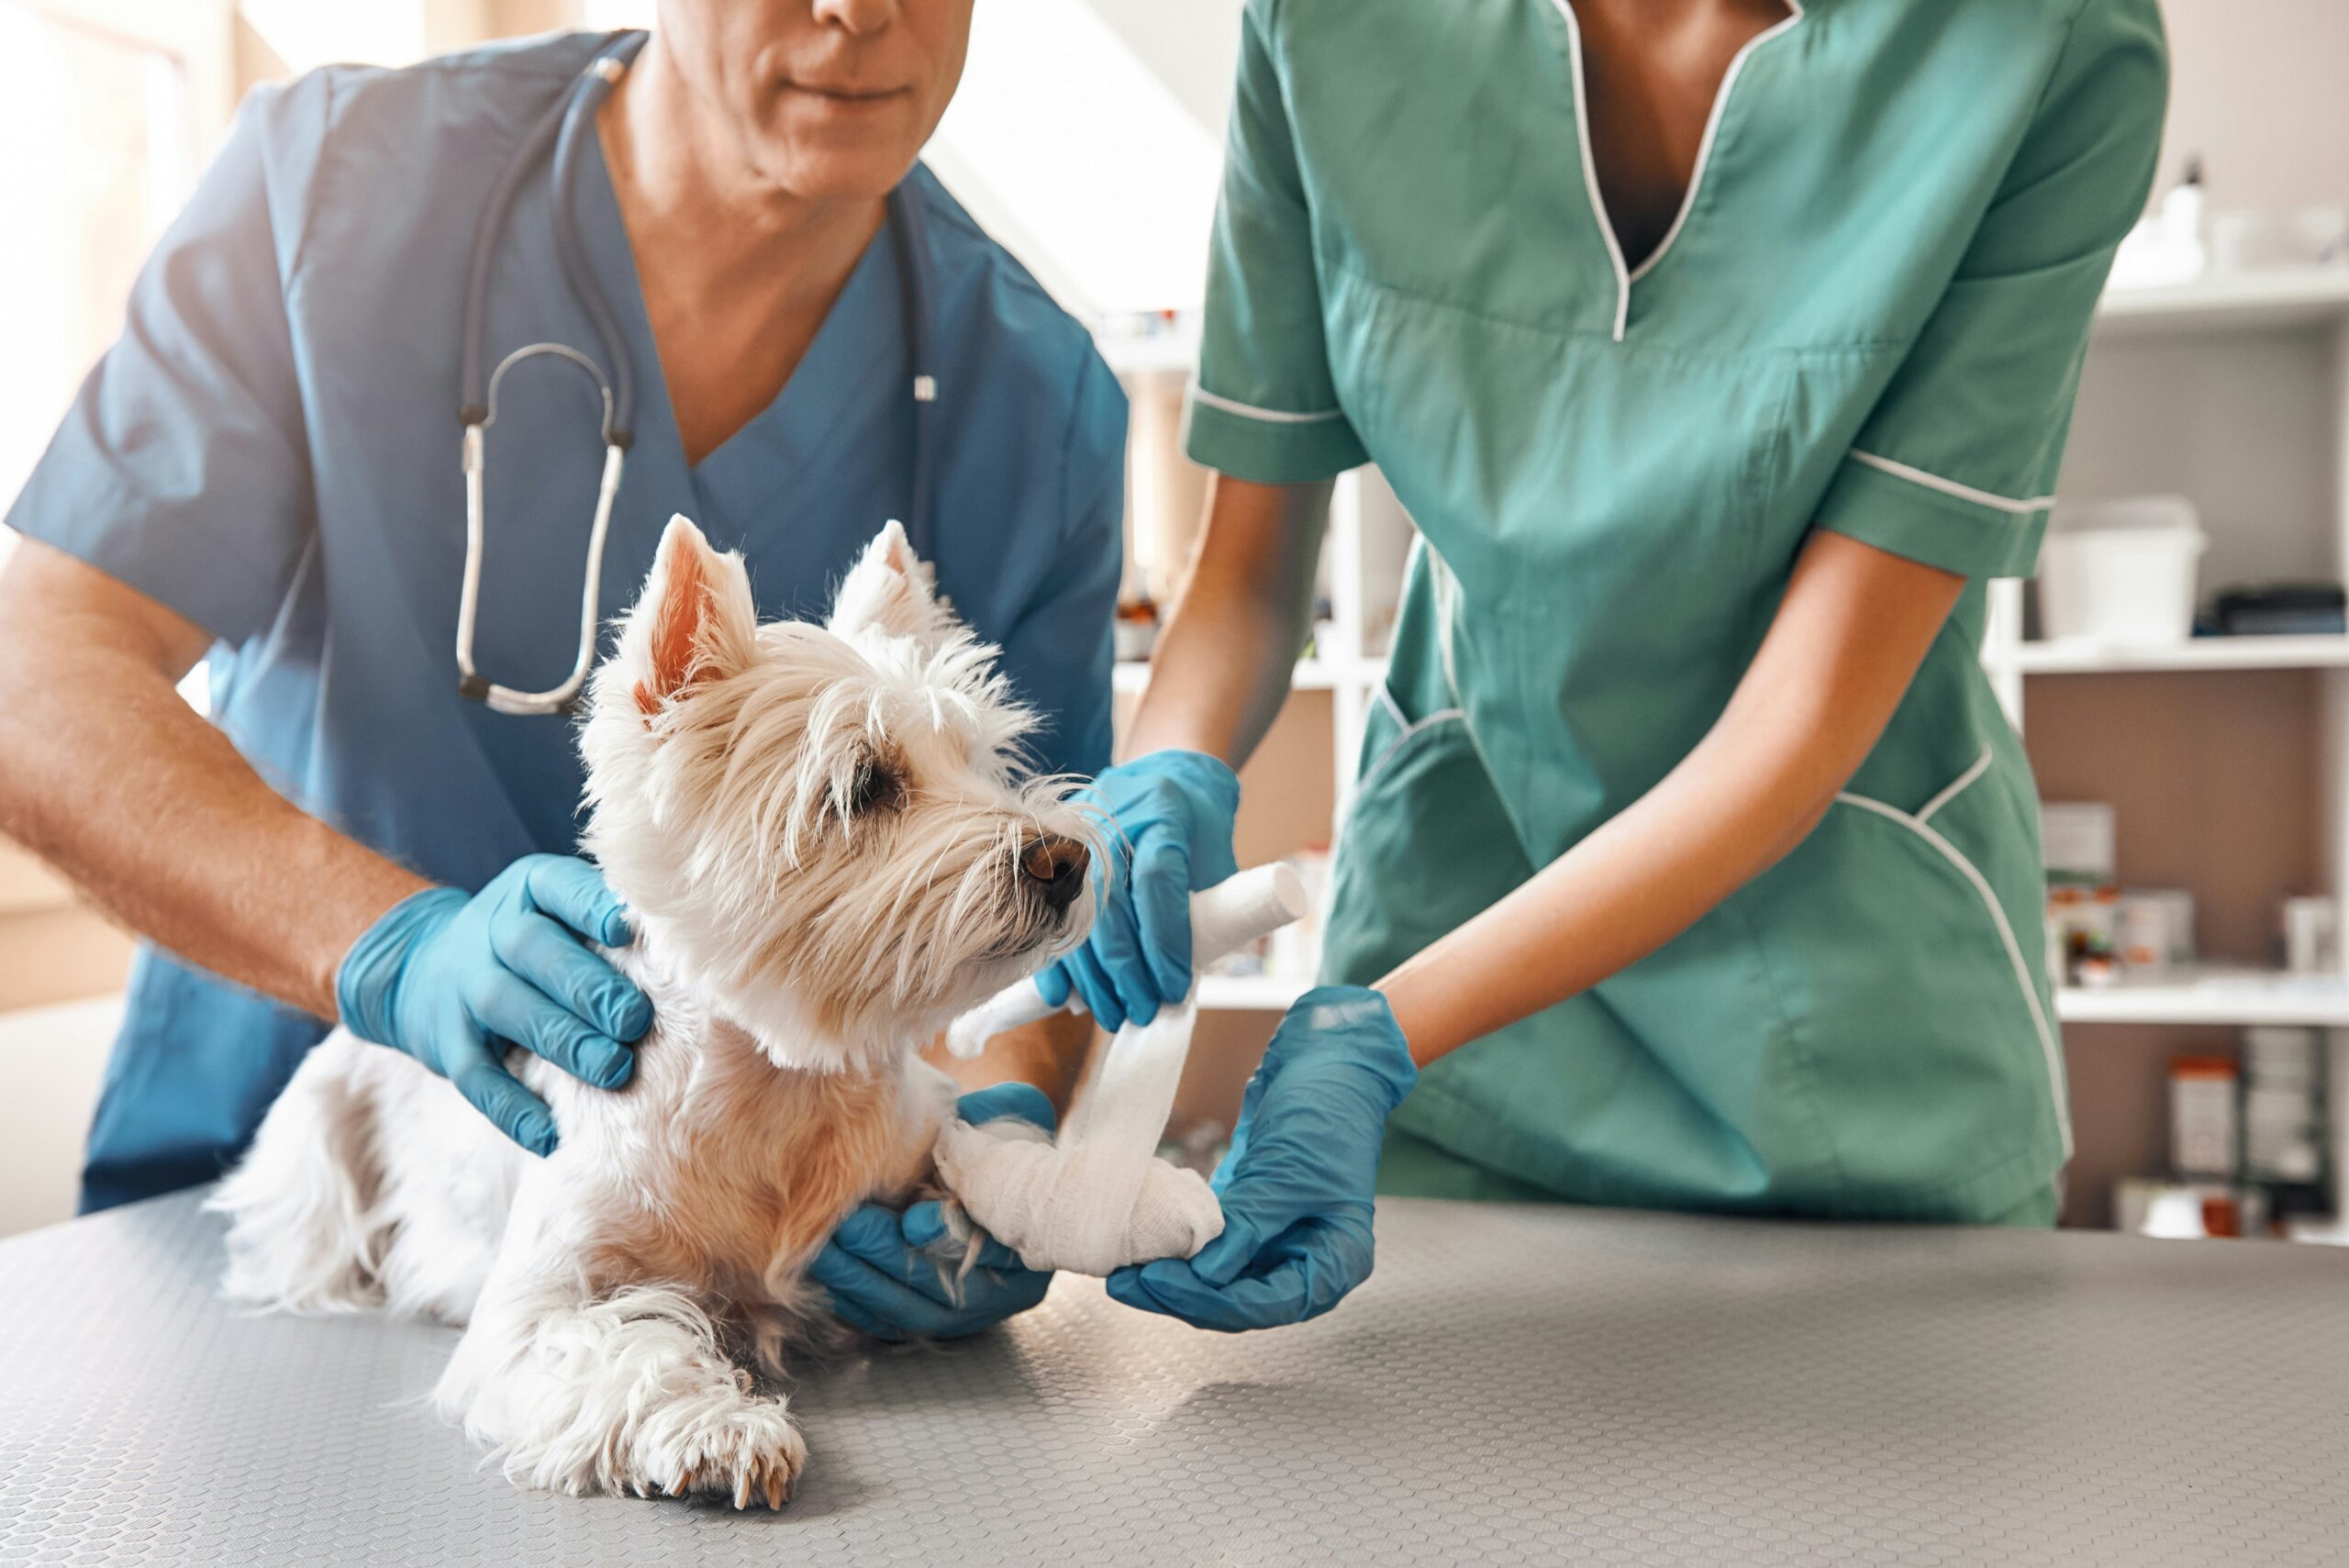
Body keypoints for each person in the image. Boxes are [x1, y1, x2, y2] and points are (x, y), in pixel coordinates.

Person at [0, 0, 1119, 1340]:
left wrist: (999, 1131)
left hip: (764, 1275)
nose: (860, 11)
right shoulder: (335, 190)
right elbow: (32, 674)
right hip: (296, 1221)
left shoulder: (1036, 399)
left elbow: (1034, 931)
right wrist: (386, 950)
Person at [1050, 0, 2168, 1332]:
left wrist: (1378, 1034)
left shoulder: (2041, 45)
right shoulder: (1332, 24)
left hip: (1856, 1059)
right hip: (1460, 1020)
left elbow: (1795, 725)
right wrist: (1161, 772)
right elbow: (1243, 577)